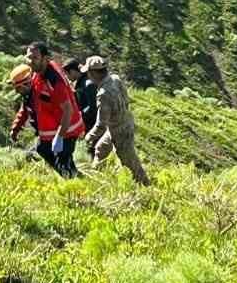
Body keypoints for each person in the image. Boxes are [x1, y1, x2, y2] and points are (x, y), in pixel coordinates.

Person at [82, 56, 150, 186]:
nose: (88, 76)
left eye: (89, 73)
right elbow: (126, 99)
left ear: (94, 73)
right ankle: (95, 176)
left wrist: (87, 138)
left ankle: (145, 186)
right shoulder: (115, 79)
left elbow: (101, 125)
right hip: (125, 121)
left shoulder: (103, 94)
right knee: (101, 148)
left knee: (130, 163)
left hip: (120, 131)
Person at [24, 42, 85, 176]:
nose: (30, 61)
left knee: (63, 163)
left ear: (45, 59)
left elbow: (67, 111)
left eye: (34, 58)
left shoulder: (55, 81)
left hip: (67, 129)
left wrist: (60, 136)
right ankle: (74, 176)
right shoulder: (39, 73)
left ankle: (74, 186)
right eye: (28, 57)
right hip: (53, 127)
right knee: (42, 148)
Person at [65, 57, 99, 133]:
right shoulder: (81, 83)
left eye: (67, 74)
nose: (67, 77)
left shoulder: (88, 84)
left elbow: (93, 106)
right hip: (88, 124)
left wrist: (79, 115)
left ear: (72, 71)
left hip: (94, 125)